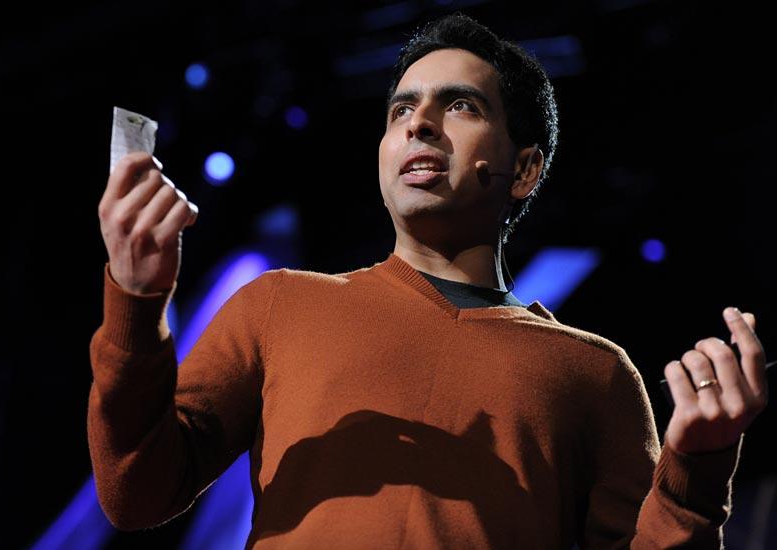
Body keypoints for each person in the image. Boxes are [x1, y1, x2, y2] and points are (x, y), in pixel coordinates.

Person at [88, 12, 768, 548]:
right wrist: (137, 303)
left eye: (461, 106)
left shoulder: (596, 374)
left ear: (524, 170)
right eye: (401, 110)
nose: (419, 123)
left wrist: (696, 472)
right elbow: (135, 492)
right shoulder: (277, 306)